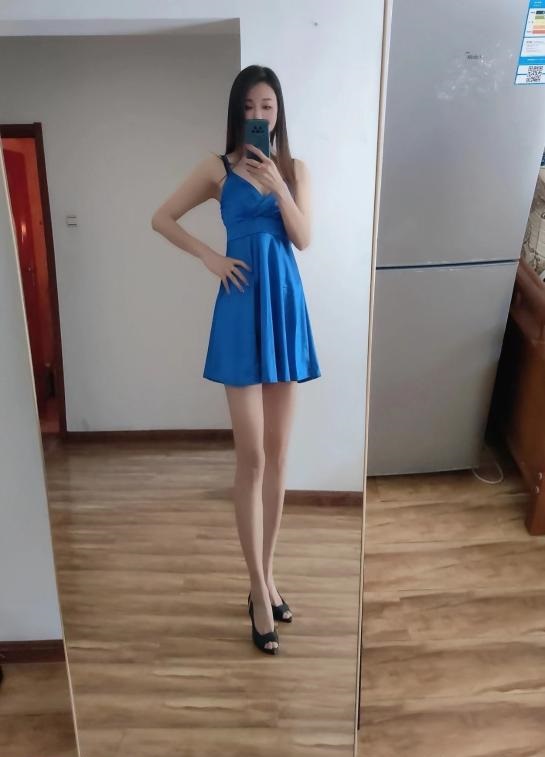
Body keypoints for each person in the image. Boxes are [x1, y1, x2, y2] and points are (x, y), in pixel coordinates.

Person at [151, 65, 321, 655]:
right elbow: (161, 218)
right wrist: (209, 257)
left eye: (267, 105)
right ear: (236, 111)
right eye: (249, 106)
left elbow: (303, 238)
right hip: (240, 307)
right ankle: (256, 588)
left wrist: (278, 184)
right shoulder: (216, 169)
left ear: (278, 112)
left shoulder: (295, 170)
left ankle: (267, 578)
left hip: (284, 309)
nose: (259, 114)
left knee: (280, 456)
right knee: (251, 457)